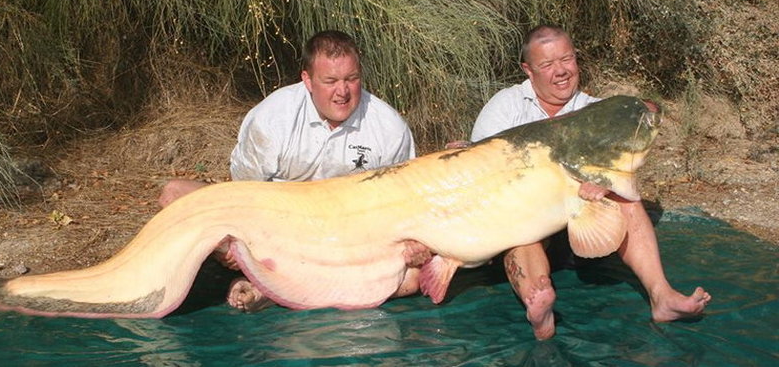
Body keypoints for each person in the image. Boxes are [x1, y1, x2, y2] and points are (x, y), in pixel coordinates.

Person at [466, 24, 711, 340]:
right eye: (547, 65)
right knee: (521, 231)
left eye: (566, 59)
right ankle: (538, 305)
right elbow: (481, 177)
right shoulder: (505, 106)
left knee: (626, 196)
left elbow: (646, 113)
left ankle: (661, 296)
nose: (560, 71)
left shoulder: (593, 110)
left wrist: (608, 180)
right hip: (523, 222)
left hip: (580, 227)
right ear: (528, 70)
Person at [158, 30, 424, 311]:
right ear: (307, 80)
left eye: (351, 79)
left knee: (411, 279)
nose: (342, 92)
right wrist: (231, 245)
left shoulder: (389, 127)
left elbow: (403, 205)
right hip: (273, 227)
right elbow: (244, 196)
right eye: (330, 81)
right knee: (175, 194)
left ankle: (269, 290)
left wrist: (413, 244)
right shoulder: (272, 118)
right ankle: (265, 276)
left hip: (347, 237)